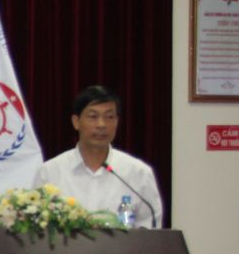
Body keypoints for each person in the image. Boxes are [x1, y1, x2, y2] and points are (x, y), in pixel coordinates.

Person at [33, 84, 164, 228]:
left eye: (109, 117)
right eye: (93, 116)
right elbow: (37, 228)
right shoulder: (50, 172)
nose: (101, 124)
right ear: (76, 122)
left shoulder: (138, 173)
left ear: (117, 121)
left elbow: (151, 228)